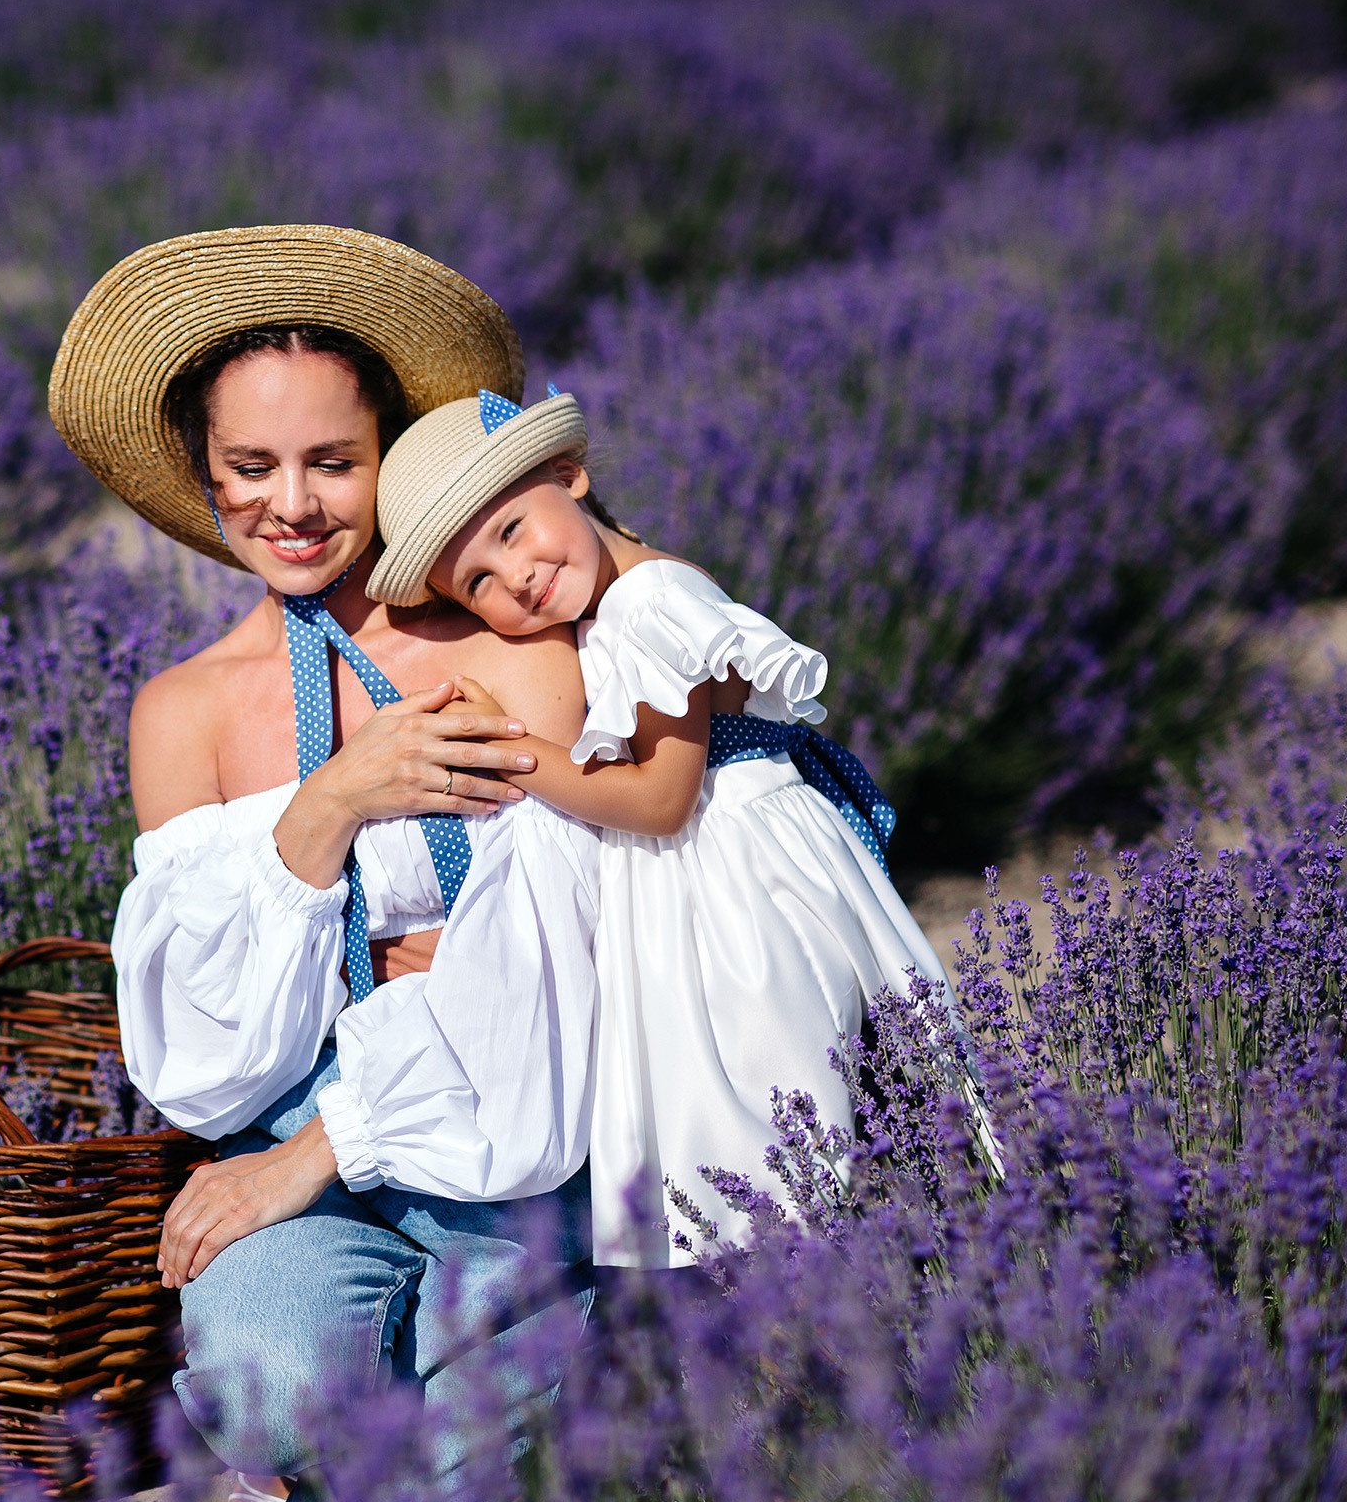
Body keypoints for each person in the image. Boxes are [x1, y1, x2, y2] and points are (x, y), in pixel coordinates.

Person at [47, 225, 605, 1502]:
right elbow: (211, 1068)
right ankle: (297, 1450)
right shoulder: (181, 715)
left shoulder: (503, 636)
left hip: (515, 1128)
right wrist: (327, 805)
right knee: (267, 1382)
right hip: (303, 1130)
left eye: (331, 464)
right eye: (251, 466)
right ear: (204, 473)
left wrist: (319, 1151)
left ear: (389, 459)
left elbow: (587, 947)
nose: (289, 503)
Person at [349, 385, 951, 1265]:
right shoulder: (613, 603)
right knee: (743, 1114)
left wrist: (510, 747)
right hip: (707, 867)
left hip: (737, 877)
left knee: (768, 1088)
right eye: (477, 581)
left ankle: (822, 1288)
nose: (513, 576)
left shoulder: (651, 603)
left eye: (512, 530)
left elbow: (662, 797)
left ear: (570, 474)